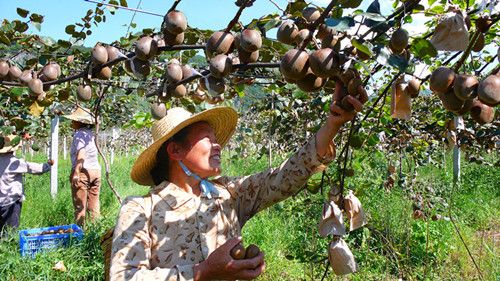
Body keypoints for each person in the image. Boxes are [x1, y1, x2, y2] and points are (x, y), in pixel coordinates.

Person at [110, 86, 366, 280]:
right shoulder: (141, 210)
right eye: (207, 139)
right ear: (175, 151)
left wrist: (332, 125)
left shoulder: (228, 194)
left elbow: (285, 177)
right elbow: (123, 277)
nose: (217, 144)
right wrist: (201, 273)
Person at [0, 134, 53, 237]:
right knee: (11, 230)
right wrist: (48, 165)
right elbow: (34, 168)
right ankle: (9, 246)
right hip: (11, 202)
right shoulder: (14, 162)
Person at [63, 107, 101, 227]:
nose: (71, 122)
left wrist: (76, 172)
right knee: (93, 206)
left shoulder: (79, 134)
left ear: (79, 122)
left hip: (84, 172)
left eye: (73, 120)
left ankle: (80, 234)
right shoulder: (91, 134)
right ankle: (95, 233)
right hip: (96, 171)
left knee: (80, 207)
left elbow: (82, 153)